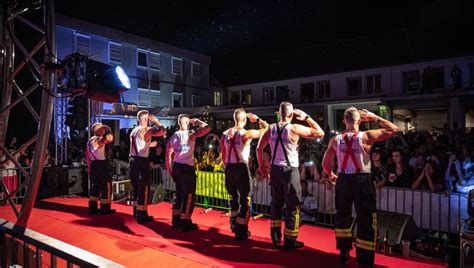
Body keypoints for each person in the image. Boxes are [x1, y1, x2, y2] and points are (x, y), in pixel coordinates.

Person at [322, 107, 400, 267]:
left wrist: (331, 174)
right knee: (366, 218)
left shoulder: (335, 140)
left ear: (344, 121)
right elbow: (395, 129)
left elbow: (325, 163)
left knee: (342, 215)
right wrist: (374, 117)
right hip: (362, 179)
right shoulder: (366, 136)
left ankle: (343, 249)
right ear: (360, 120)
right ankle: (364, 260)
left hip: (343, 179)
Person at [257, 101, 324, 249]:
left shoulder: (271, 128)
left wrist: (262, 167)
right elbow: (320, 133)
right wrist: (306, 117)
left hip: (274, 170)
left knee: (275, 204)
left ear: (279, 113)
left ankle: (275, 238)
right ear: (292, 114)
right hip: (289, 171)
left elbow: (258, 148)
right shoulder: (294, 128)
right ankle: (290, 240)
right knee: (293, 206)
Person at [221, 109, 269, 240]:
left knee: (233, 199)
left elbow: (223, 155)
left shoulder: (224, 134)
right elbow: (267, 129)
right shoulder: (246, 133)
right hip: (241, 167)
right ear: (244, 120)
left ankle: (234, 225)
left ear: (234, 119)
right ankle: (241, 232)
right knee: (245, 199)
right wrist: (258, 120)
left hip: (229, 167)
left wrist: (228, 167)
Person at [166, 114, 210, 231]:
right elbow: (207, 128)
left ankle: (176, 220)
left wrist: (169, 168)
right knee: (189, 196)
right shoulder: (190, 134)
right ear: (186, 123)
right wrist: (198, 121)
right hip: (187, 168)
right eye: (188, 122)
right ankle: (185, 222)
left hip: (176, 166)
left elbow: (168, 152)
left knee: (178, 195)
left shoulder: (173, 136)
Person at [129, 110, 166, 224]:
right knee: (144, 188)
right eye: (148, 119)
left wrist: (149, 145)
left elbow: (140, 144)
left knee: (136, 189)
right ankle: (142, 215)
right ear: (145, 119)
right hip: (141, 161)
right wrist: (156, 121)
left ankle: (136, 213)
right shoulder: (146, 129)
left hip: (132, 160)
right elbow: (162, 131)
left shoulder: (134, 130)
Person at [86, 122, 115, 215]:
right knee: (106, 187)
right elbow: (109, 139)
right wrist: (109, 130)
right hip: (101, 164)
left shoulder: (89, 140)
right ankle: (105, 209)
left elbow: (87, 154)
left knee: (95, 187)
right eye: (101, 128)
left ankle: (92, 208)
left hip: (94, 164)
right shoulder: (98, 139)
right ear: (97, 131)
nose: (103, 129)